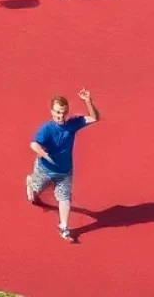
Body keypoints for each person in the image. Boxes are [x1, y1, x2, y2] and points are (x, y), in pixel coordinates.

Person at [26, 90, 101, 242]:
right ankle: (30, 182)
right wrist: (44, 154)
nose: (61, 116)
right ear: (52, 111)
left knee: (64, 197)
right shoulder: (47, 128)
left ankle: (64, 227)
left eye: (64, 112)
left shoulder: (72, 125)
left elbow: (94, 117)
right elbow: (33, 144)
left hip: (65, 172)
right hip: (45, 170)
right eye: (58, 112)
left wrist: (88, 101)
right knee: (36, 190)